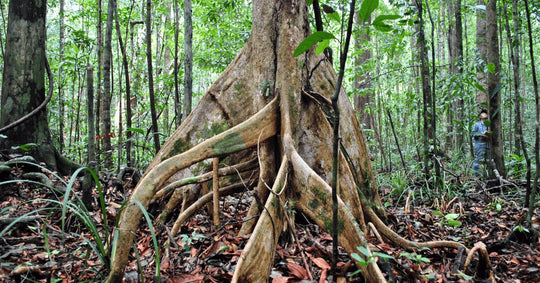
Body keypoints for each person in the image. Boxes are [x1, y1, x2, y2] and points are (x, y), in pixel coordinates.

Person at [471, 110, 490, 176]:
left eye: (485, 114)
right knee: (478, 160)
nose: (484, 115)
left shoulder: (489, 124)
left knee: (489, 160)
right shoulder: (477, 125)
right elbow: (472, 134)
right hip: (479, 145)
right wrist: (481, 134)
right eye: (482, 114)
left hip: (488, 145)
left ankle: (488, 175)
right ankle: (476, 176)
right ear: (480, 116)